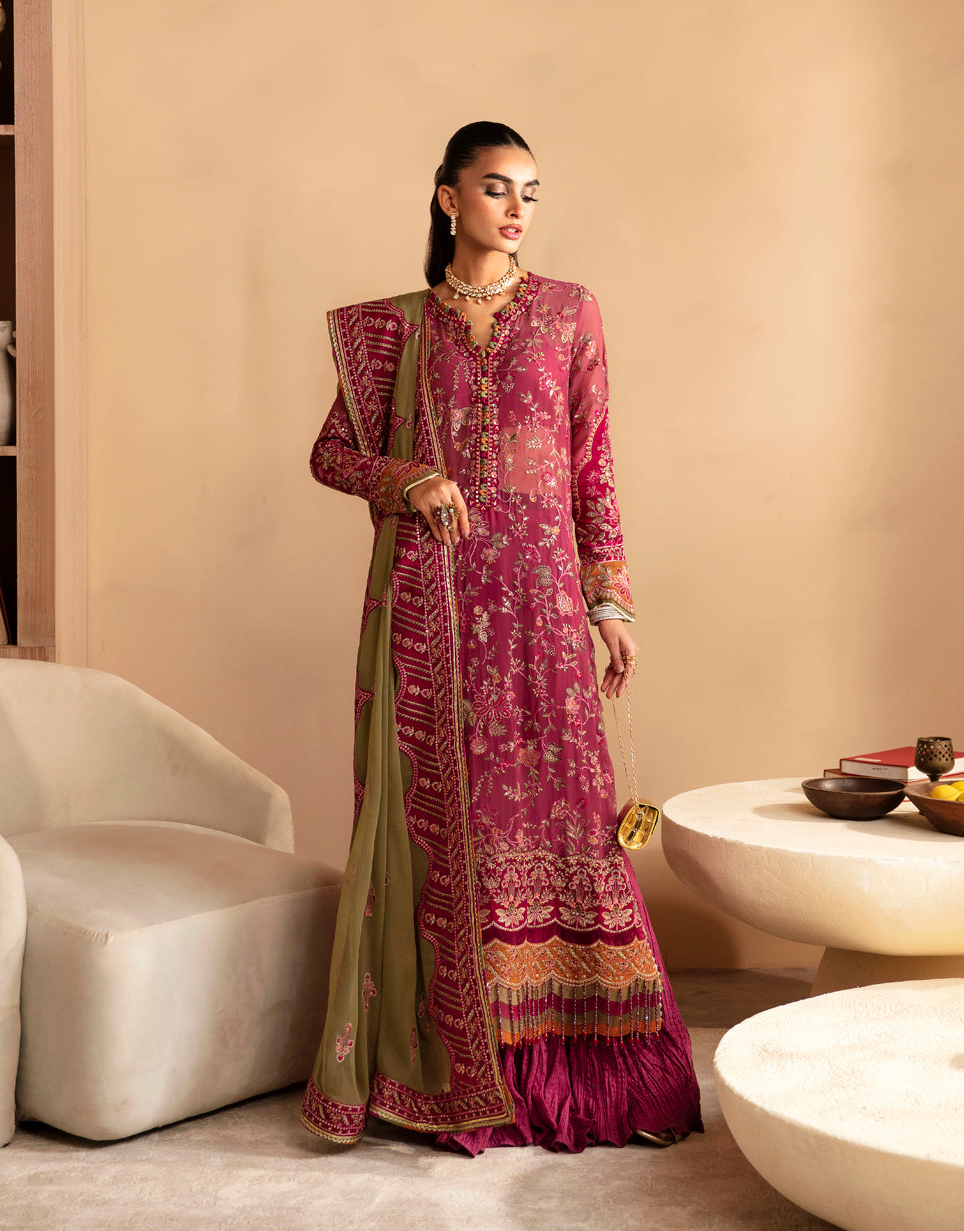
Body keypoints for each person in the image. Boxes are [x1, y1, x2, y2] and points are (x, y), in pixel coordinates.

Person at [302, 121, 702, 1155]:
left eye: (529, 190)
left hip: (544, 612)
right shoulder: (396, 332)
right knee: (460, 835)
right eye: (495, 188)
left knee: (571, 828)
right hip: (434, 612)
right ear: (448, 199)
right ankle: (468, 1074)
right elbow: (333, 454)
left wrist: (608, 602)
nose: (516, 208)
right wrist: (409, 478)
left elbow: (591, 467)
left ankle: (598, 1075)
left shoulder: (569, 312)